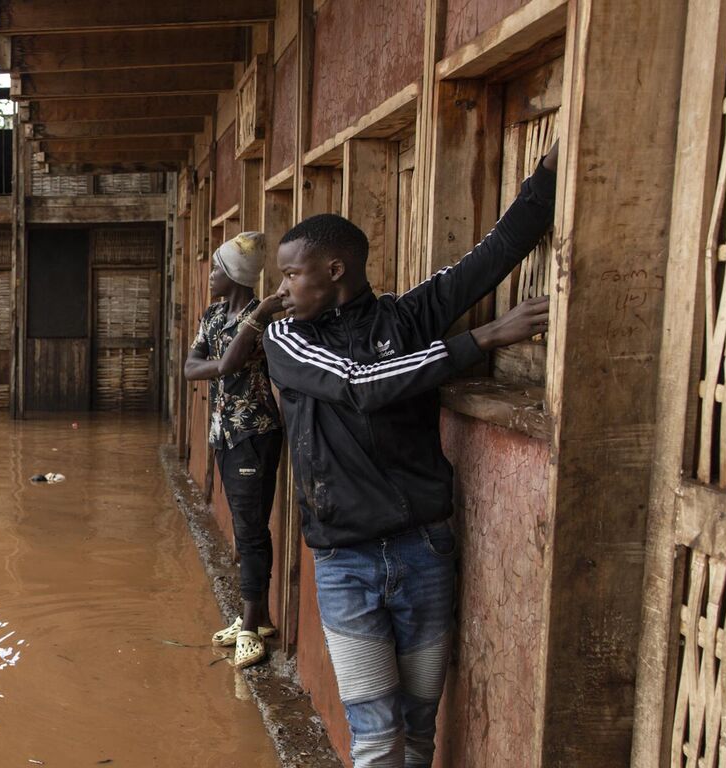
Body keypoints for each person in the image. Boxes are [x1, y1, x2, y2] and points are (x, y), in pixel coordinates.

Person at [222, 143, 558, 768]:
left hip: (424, 549)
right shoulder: (285, 337)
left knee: (420, 729)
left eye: (292, 273)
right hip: (345, 559)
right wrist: (481, 339)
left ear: (335, 268)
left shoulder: (406, 317)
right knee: (377, 735)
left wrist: (548, 177)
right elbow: (358, 385)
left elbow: (493, 256)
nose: (282, 287)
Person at [183, 232, 283, 668]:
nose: (211, 275)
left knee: (252, 530)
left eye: (219, 268)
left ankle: (251, 627)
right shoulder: (214, 314)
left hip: (254, 435)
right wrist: (217, 366)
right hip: (224, 434)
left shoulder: (266, 322)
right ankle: (253, 617)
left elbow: (223, 365)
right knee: (246, 528)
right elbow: (191, 369)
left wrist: (258, 315)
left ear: (235, 275)